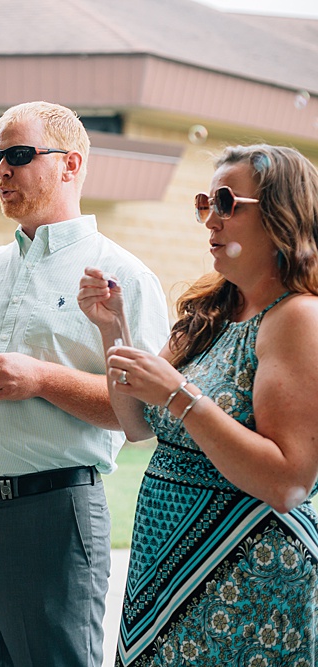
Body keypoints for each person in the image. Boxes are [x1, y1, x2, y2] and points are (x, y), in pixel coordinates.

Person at [0, 101, 170, 666]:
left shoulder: (125, 276)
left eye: (19, 155)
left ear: (71, 165)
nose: (1, 171)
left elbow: (141, 416)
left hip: (55, 513)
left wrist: (41, 378)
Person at [79, 144, 318, 665]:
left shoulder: (298, 319)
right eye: (204, 201)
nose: (210, 217)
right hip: (163, 558)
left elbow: (289, 481)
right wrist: (113, 329)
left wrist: (179, 396)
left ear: (282, 215)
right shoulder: (212, 309)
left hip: (247, 571)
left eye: (228, 202)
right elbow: (137, 426)